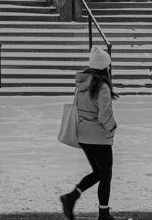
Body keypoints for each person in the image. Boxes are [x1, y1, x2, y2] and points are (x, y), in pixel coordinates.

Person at [60, 44, 116, 219]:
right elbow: (104, 115)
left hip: (84, 136)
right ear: (105, 67)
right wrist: (112, 127)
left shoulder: (82, 84)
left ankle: (71, 197)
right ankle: (104, 213)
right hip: (99, 137)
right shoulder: (102, 87)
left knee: (98, 173)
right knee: (105, 175)